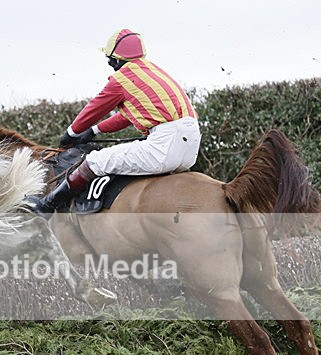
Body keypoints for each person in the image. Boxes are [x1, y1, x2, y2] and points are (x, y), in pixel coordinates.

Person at [28, 29, 201, 217]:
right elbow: (128, 116)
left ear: (117, 60)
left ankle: (47, 205)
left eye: (110, 60)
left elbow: (95, 108)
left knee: (95, 160)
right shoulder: (152, 71)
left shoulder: (122, 78)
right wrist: (94, 131)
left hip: (164, 144)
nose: (110, 64)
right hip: (190, 146)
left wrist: (71, 134)